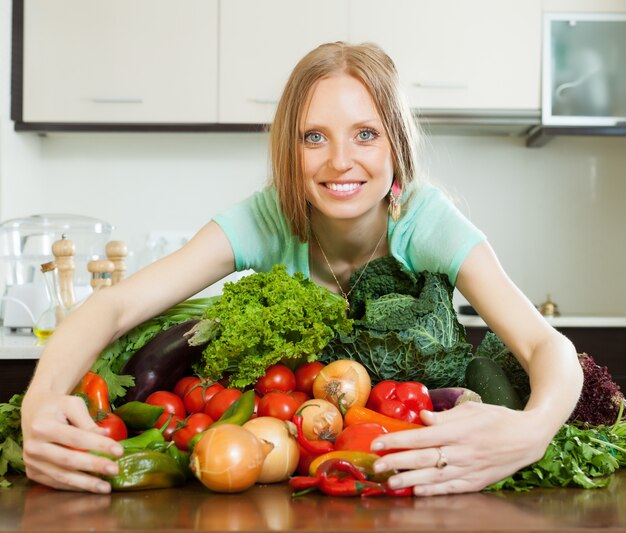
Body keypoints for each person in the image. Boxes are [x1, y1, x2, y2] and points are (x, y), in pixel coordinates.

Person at [20, 41, 583, 495]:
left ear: (397, 148)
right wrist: (39, 403)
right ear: (290, 151)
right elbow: (116, 305)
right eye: (315, 137)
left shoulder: (425, 220)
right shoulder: (268, 218)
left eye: (366, 134)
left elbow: (543, 345)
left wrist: (532, 431)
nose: (341, 160)